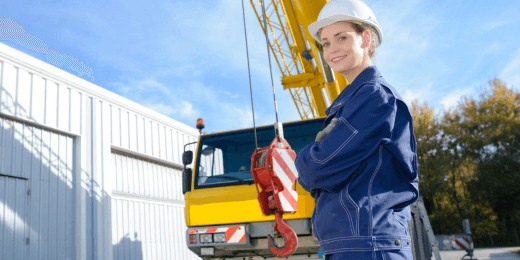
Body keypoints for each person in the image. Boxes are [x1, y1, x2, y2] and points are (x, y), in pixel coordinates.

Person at [294, 0, 419, 259]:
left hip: (368, 243)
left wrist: (303, 157)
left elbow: (316, 168)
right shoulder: (351, 102)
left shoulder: (374, 97)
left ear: (365, 38)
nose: (331, 50)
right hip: (354, 242)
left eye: (341, 37)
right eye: (326, 43)